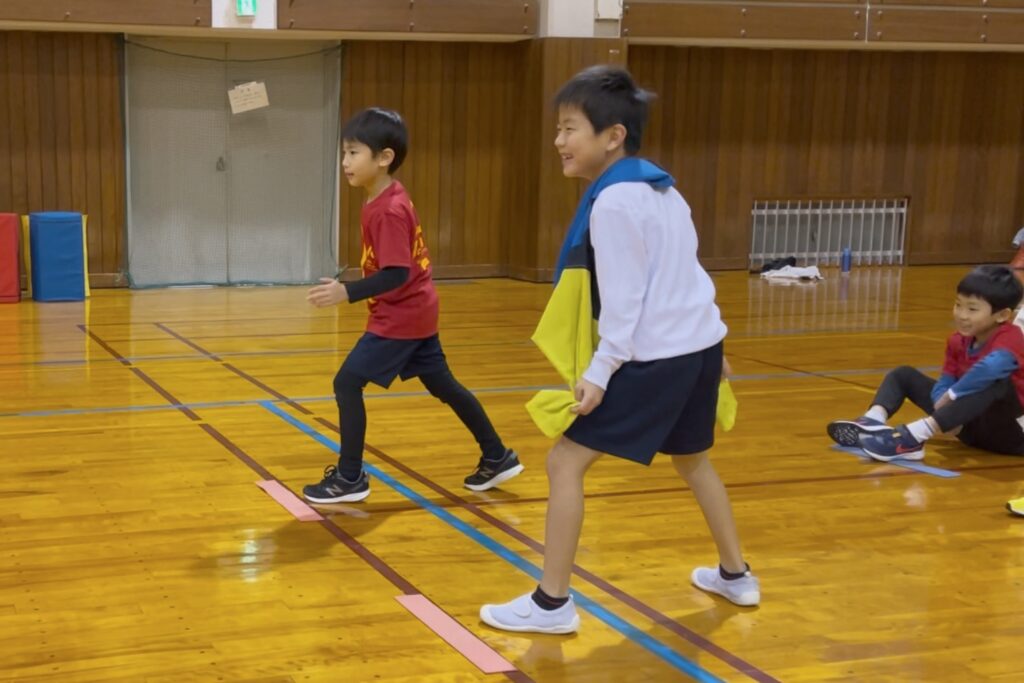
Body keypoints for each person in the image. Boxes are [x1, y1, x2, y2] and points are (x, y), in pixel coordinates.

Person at [479, 66, 759, 635]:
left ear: (613, 136)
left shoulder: (612, 204)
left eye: (569, 128)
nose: (559, 141)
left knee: (564, 461)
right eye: (558, 129)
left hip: (653, 358)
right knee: (693, 459)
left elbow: (626, 304)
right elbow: (689, 276)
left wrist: (600, 372)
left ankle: (552, 604)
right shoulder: (664, 190)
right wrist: (716, 341)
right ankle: (735, 575)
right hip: (695, 350)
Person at [303, 108, 522, 503]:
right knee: (445, 386)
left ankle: (350, 477)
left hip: (401, 316)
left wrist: (346, 292)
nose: (345, 162)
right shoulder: (384, 198)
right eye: (344, 153)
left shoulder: (388, 209)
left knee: (347, 382)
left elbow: (395, 274)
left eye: (354, 153)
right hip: (419, 311)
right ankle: (497, 455)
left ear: (384, 158)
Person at [828, 265, 1024, 462]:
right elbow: (946, 378)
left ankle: (913, 437)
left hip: (1013, 436)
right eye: (958, 305)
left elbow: (990, 369)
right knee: (903, 374)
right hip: (969, 428)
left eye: (972, 309)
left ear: (1002, 315)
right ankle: (872, 420)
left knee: (995, 381)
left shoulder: (1012, 338)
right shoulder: (957, 340)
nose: (962, 315)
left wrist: (951, 396)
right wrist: (944, 409)